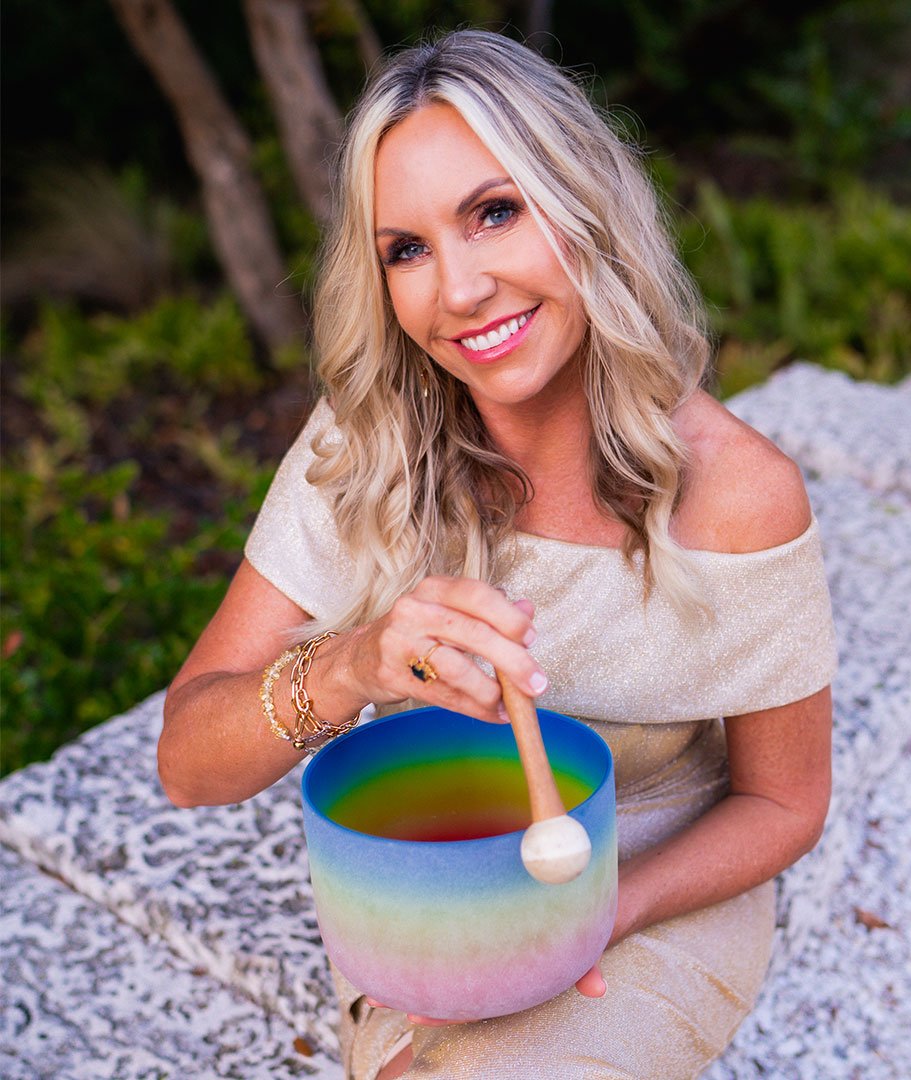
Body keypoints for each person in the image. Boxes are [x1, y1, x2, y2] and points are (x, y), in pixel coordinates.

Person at [159, 28, 836, 1080]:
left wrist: (602, 914)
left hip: (654, 880)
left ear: (583, 208)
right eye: (408, 249)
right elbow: (189, 764)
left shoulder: (739, 493)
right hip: (426, 883)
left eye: (494, 212)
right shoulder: (365, 446)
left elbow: (785, 803)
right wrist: (352, 664)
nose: (461, 289)